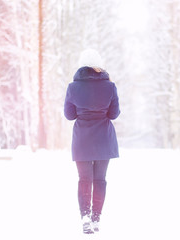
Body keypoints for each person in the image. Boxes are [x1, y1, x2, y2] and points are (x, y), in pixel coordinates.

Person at [64, 49, 120, 234]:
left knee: (84, 180)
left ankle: (85, 218)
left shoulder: (73, 87)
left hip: (82, 141)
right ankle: (96, 219)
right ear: (99, 66)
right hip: (104, 139)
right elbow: (114, 114)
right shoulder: (110, 87)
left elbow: (69, 115)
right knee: (100, 180)